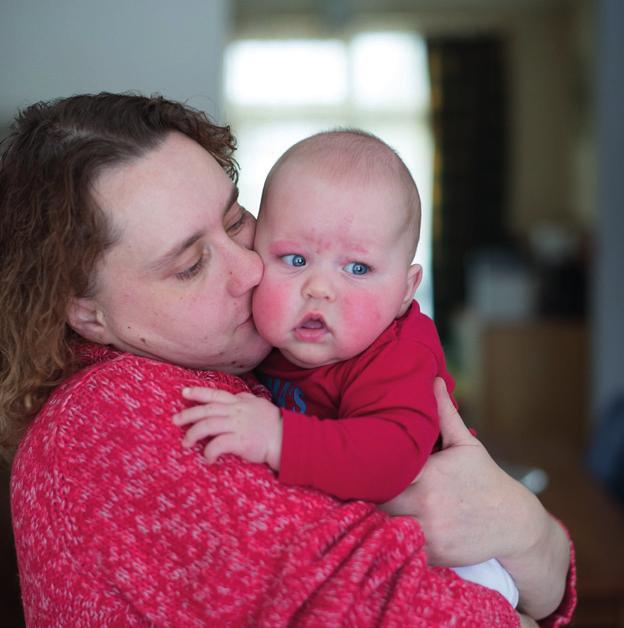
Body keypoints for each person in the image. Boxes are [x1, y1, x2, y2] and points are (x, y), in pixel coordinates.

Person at [0, 92, 575, 626]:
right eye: (190, 265)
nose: (252, 270)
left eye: (235, 221)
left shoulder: (243, 357)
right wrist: (533, 551)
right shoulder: (110, 418)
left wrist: (527, 532)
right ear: (86, 313)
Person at [173, 129, 518, 605]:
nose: (319, 288)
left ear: (405, 289)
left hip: (460, 561)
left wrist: (278, 436)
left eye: (356, 268)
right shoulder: (260, 343)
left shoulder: (400, 352)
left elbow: (391, 460)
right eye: (295, 259)